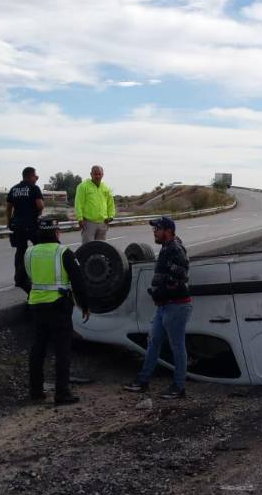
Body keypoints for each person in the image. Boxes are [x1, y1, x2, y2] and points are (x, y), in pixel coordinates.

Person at [23, 214, 89, 406]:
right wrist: (84, 305)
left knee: (38, 348)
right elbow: (78, 282)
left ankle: (36, 391)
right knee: (62, 350)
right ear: (56, 232)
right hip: (58, 306)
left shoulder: (30, 252)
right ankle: (62, 393)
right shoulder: (63, 252)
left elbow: (23, 276)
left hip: (36, 306)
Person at [123, 216, 192, 399]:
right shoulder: (167, 248)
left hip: (176, 306)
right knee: (153, 342)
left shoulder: (175, 249)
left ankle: (179, 387)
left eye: (157, 229)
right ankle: (142, 381)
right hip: (165, 307)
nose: (154, 232)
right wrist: (159, 293)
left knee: (177, 347)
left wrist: (164, 291)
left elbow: (182, 275)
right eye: (154, 229)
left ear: (168, 230)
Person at [6, 166, 44, 292]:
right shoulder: (34, 188)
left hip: (18, 225)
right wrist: (38, 213)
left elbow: (8, 207)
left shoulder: (14, 189)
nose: (36, 177)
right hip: (32, 224)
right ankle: (41, 275)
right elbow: (40, 205)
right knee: (40, 248)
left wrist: (9, 221)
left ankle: (19, 279)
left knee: (20, 251)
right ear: (30, 176)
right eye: (35, 175)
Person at [74, 165, 115, 244]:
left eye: (99, 174)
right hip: (89, 222)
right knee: (88, 247)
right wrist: (80, 218)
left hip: (103, 222)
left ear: (103, 174)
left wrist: (111, 216)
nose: (97, 176)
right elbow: (78, 203)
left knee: (100, 247)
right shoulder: (83, 186)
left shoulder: (106, 187)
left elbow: (110, 203)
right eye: (95, 174)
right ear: (91, 174)